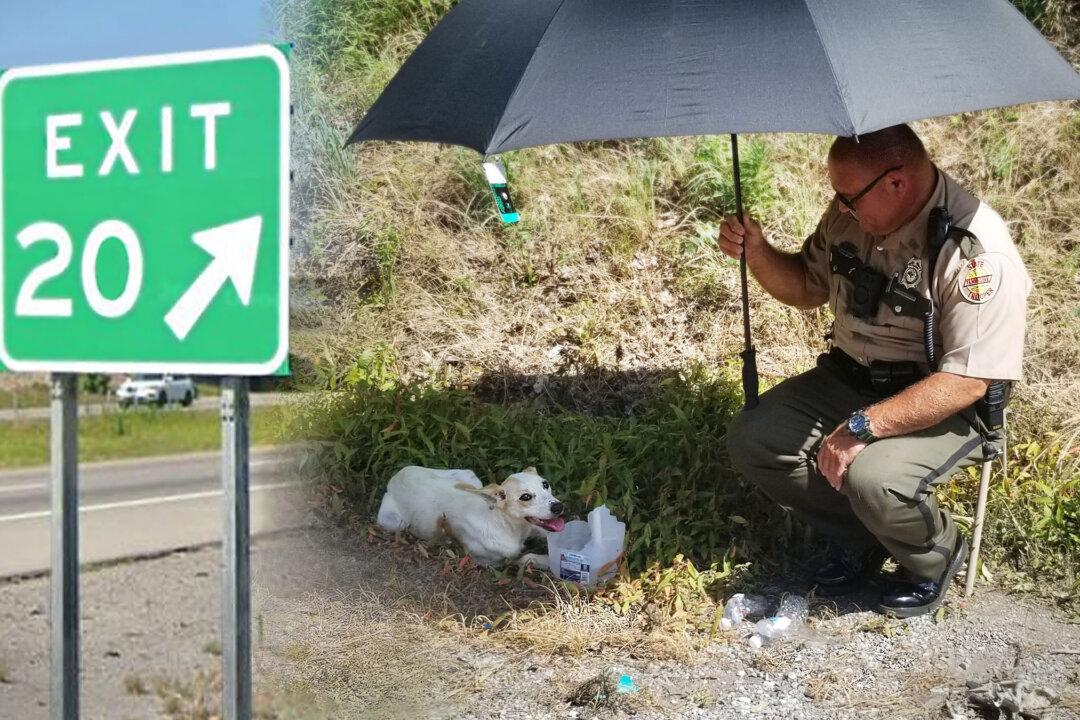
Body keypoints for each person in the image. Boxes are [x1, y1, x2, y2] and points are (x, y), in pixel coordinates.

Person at [719, 124, 1031, 617]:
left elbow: (970, 379)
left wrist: (862, 428)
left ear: (896, 183)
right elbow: (806, 287)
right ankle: (863, 536)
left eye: (848, 198)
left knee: (873, 477)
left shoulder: (975, 251)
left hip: (941, 400)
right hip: (849, 378)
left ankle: (935, 554)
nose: (840, 207)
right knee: (756, 437)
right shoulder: (854, 215)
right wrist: (756, 252)